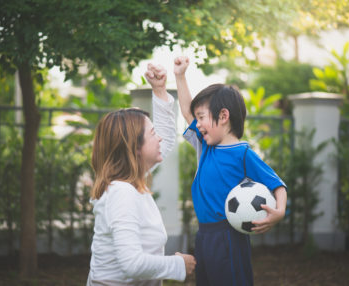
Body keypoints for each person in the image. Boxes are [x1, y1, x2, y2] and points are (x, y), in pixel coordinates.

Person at [173, 56, 288, 286]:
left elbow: (277, 184)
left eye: (202, 118)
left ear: (223, 116)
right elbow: (187, 112)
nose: (197, 123)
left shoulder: (243, 153)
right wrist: (180, 76)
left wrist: (280, 211)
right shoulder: (205, 146)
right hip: (204, 234)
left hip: (229, 236)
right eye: (197, 119)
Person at [86, 63, 196, 286]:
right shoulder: (121, 193)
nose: (160, 139)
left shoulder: (129, 180)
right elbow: (131, 264)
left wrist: (159, 90)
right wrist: (177, 265)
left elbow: (165, 140)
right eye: (152, 134)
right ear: (135, 148)